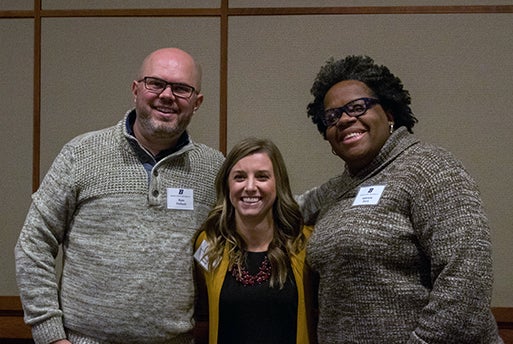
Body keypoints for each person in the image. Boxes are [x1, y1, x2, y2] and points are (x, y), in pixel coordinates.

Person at [14, 47, 225, 344]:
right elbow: (33, 242)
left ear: (197, 102)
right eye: (155, 83)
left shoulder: (214, 169)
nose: (167, 95)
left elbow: (263, 217)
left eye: (181, 89)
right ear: (136, 90)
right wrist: (49, 334)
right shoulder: (81, 153)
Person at [297, 55, 503, 343]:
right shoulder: (337, 190)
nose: (344, 119)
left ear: (390, 113)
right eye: (332, 117)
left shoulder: (430, 168)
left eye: (357, 107)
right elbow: (284, 206)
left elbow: (467, 282)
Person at [194, 137, 315, 344]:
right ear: (227, 185)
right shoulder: (209, 244)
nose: (250, 187)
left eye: (262, 177)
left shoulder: (305, 243)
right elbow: (203, 314)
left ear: (278, 184)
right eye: (239, 177)